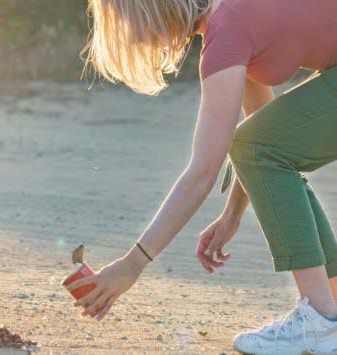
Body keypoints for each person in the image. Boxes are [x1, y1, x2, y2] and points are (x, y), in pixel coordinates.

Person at [65, 0, 337, 353]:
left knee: (255, 148)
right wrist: (232, 215)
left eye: (128, 23)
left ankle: (319, 319)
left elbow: (202, 172)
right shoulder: (235, 18)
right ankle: (330, 306)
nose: (132, 36)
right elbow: (267, 140)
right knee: (260, 147)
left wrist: (132, 266)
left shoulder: (228, 28)